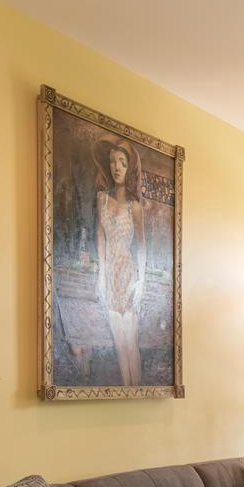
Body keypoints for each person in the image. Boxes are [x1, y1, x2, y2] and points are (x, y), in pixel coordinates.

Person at [93, 138, 146, 386]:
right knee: (118, 345)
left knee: (131, 344)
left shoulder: (135, 206)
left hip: (128, 273)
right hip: (110, 275)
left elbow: (142, 245)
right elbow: (100, 236)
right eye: (113, 162)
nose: (117, 167)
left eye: (122, 162)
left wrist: (141, 282)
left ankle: (137, 393)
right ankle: (127, 392)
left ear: (128, 167)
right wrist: (101, 275)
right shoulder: (102, 199)